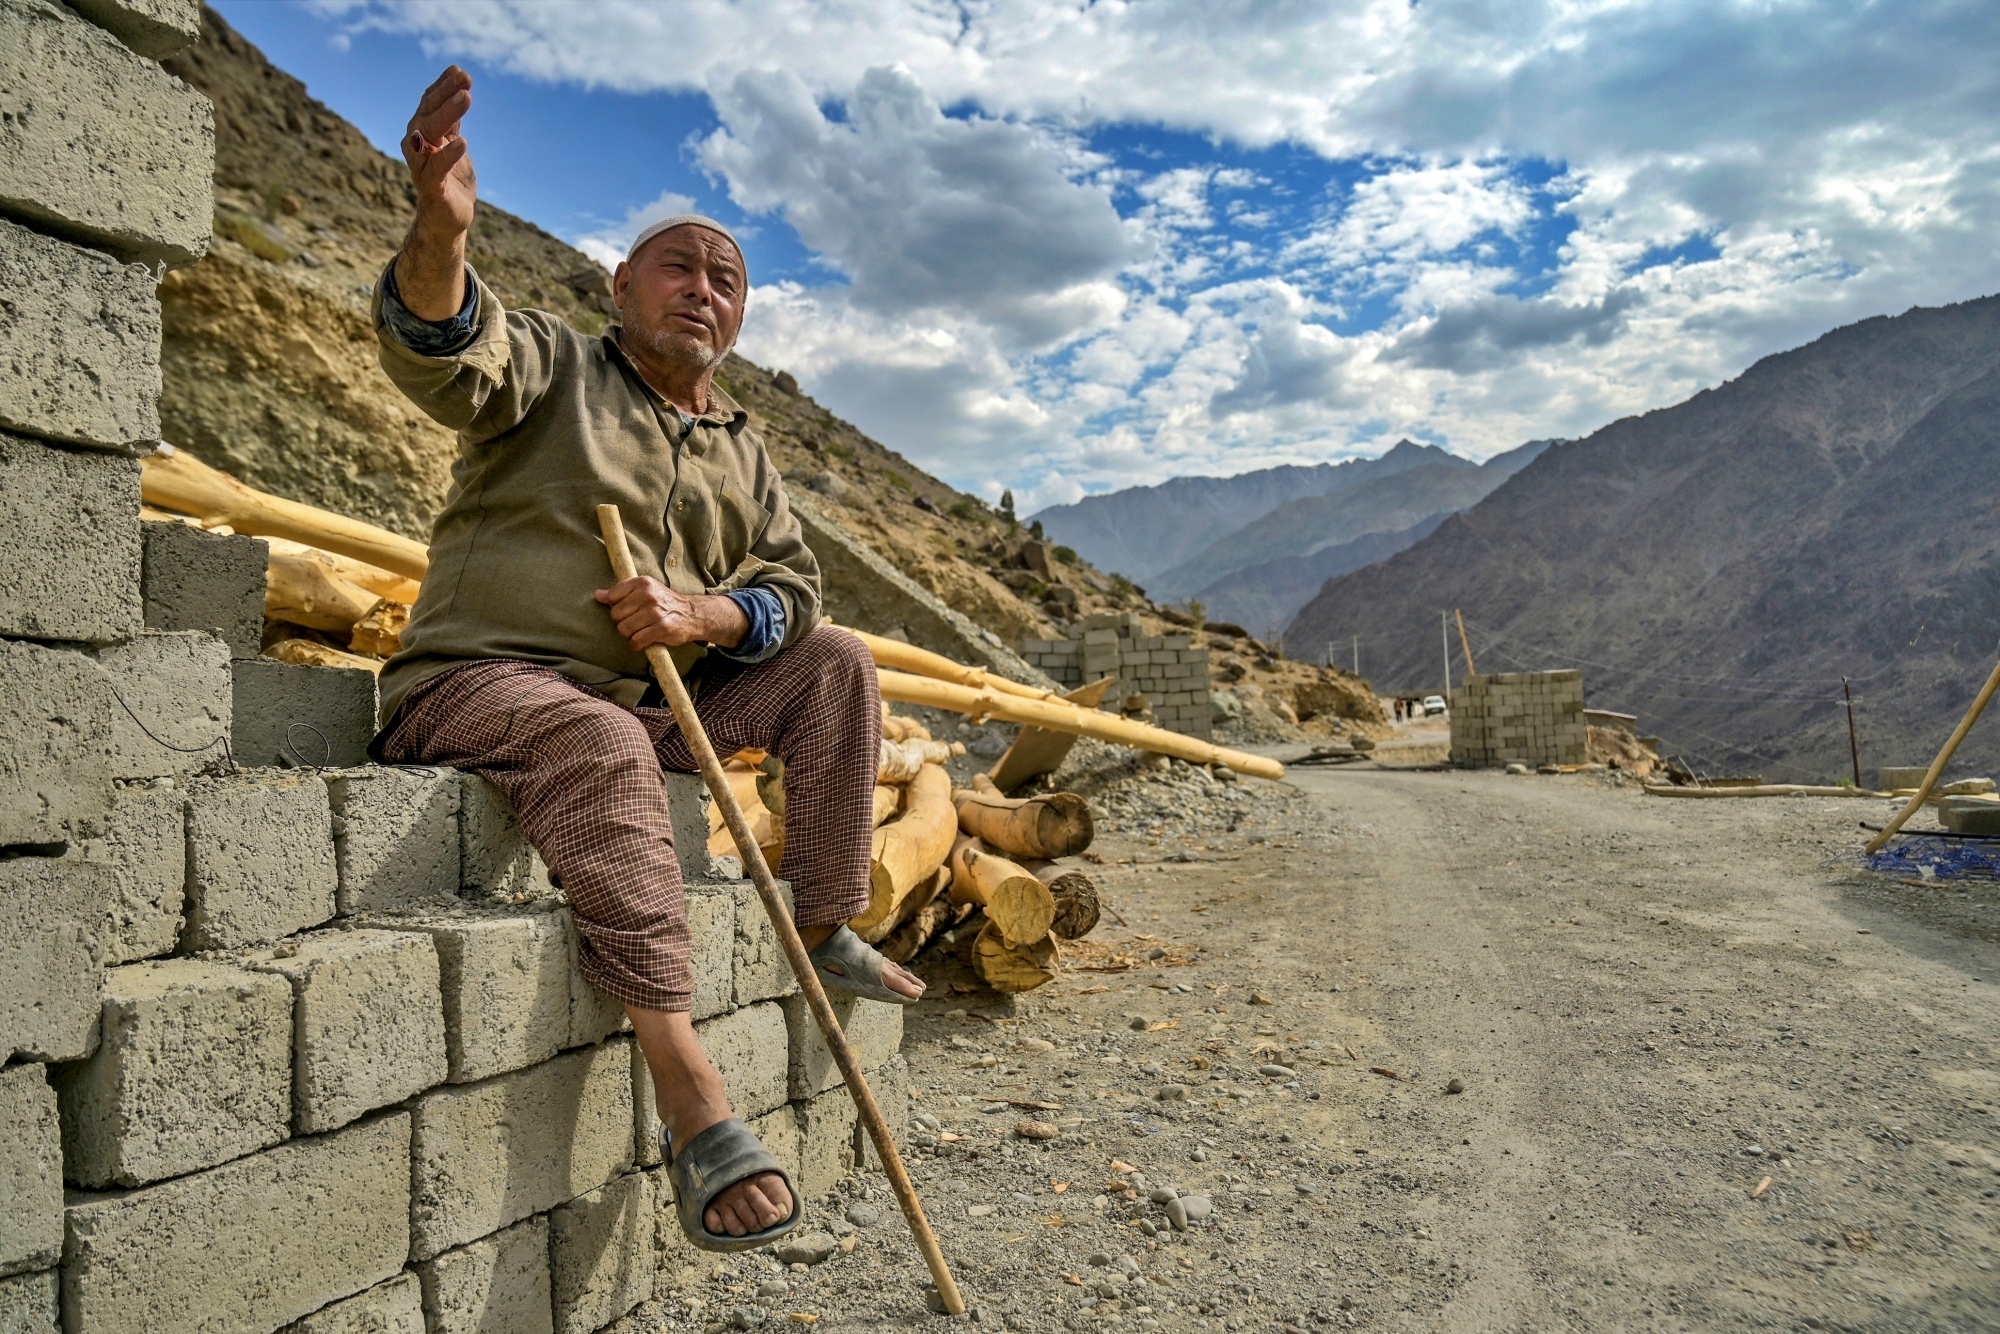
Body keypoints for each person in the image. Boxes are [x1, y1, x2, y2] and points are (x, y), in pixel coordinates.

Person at [369, 66, 923, 1253]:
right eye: (679, 265)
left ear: (739, 316)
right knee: (604, 735)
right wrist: (441, 232)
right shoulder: (553, 366)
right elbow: (440, 347)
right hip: (479, 682)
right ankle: (691, 1095)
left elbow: (790, 587)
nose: (703, 289)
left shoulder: (740, 446)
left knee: (831, 660)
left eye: (726, 278)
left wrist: (704, 619)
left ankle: (823, 921)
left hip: (647, 693)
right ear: (621, 284)